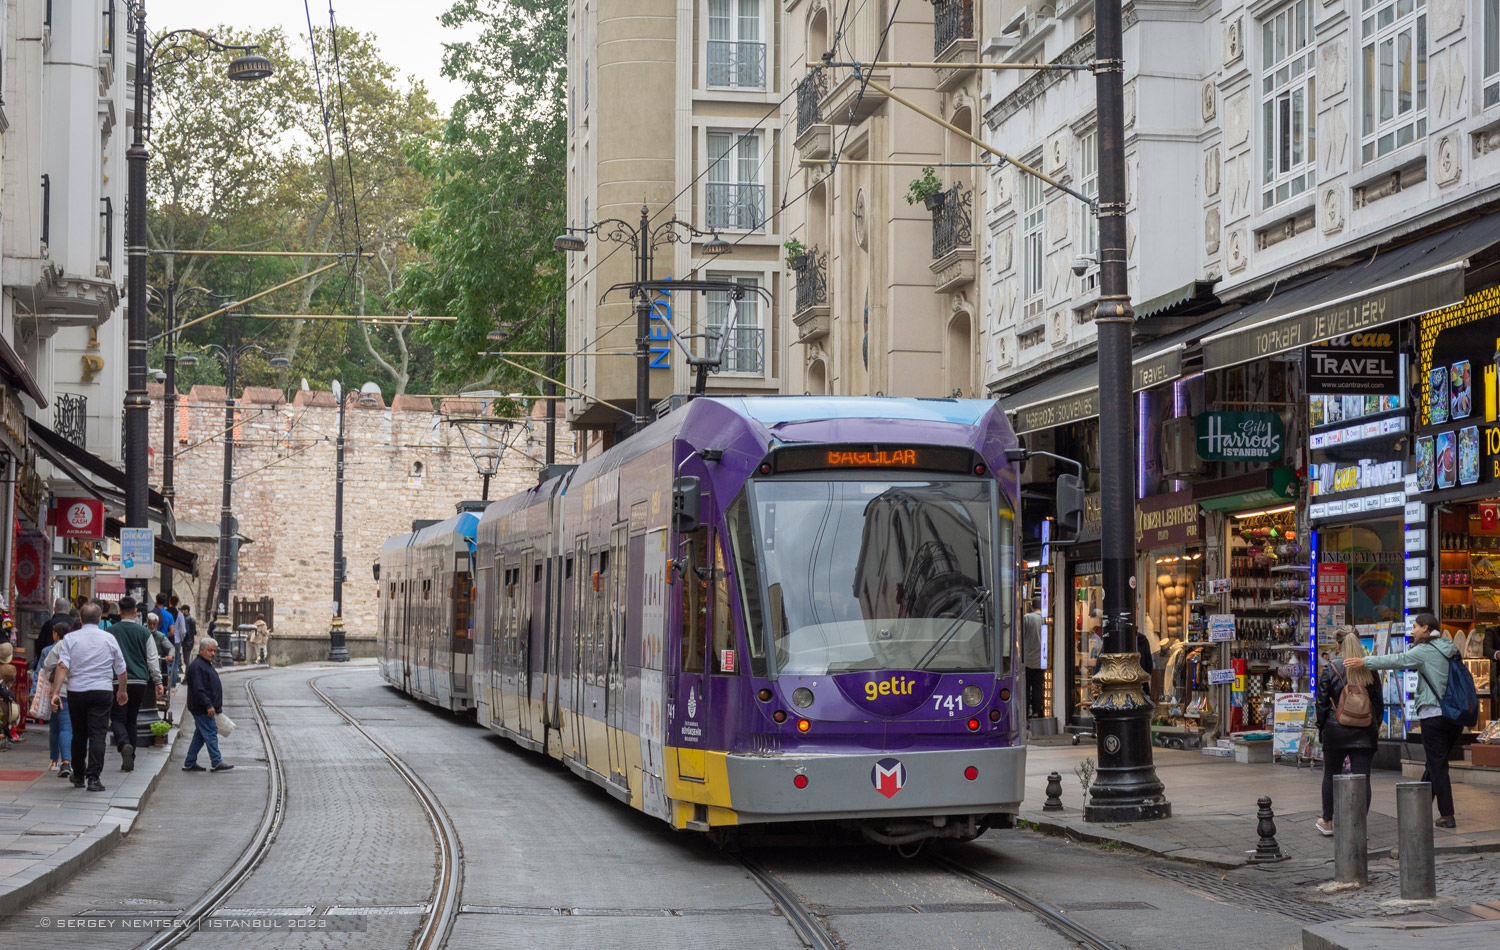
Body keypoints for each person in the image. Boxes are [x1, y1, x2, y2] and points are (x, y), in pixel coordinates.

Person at [1347, 612, 1461, 828]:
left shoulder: (1425, 650)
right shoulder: (1450, 647)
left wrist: (1364, 661)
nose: (1412, 631)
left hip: (1433, 714)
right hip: (1455, 716)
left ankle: (1447, 814)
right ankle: (1419, 806)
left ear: (1425, 628)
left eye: (1415, 626)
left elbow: (1398, 660)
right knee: (1435, 762)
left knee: (1438, 765)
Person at [49, 603, 126, 792]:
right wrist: (122, 690)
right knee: (98, 734)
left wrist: (56, 692)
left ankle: (79, 775)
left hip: (77, 691)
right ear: (99, 619)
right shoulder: (109, 638)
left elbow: (62, 666)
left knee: (79, 734)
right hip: (102, 691)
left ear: (81, 619)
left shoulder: (70, 638)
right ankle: (94, 778)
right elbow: (121, 668)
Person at [1315, 630, 1384, 836]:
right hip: (1365, 732)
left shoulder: (1330, 668)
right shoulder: (1369, 669)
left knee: (1330, 775)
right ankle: (1357, 825)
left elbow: (1321, 704)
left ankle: (1328, 821)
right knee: (1363, 779)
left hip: (1335, 731)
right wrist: (1374, 726)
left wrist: (1322, 728)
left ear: (1338, 645)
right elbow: (1378, 704)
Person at [106, 597, 162, 773]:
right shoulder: (144, 632)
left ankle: (124, 744)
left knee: (117, 717)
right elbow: (152, 659)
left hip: (117, 680)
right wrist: (158, 681)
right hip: (139, 681)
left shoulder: (111, 631)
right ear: (136, 612)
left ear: (119, 612)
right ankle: (131, 757)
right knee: (132, 718)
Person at [183, 638, 231, 773]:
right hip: (202, 708)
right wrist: (208, 705)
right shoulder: (197, 666)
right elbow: (199, 689)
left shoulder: (205, 664)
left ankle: (189, 762)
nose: (213, 653)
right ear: (201, 650)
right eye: (210, 650)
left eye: (214, 651)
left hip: (203, 706)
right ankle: (216, 761)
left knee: (200, 735)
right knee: (210, 732)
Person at [41, 618, 76, 779]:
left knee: (60, 727)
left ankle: (62, 761)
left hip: (60, 691)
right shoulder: (87, 643)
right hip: (81, 690)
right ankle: (75, 760)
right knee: (73, 727)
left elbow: (47, 664)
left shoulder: (61, 645)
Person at [32, 598, 74, 673]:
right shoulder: (74, 624)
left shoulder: (48, 624)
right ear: (69, 610)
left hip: (48, 665)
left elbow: (40, 645)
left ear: (54, 609)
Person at [1022, 602, 1045, 721]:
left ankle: (1025, 713)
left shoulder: (1026, 618)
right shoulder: (1044, 619)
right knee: (1038, 688)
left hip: (1027, 658)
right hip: (1041, 659)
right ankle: (1036, 712)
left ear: (1031, 606)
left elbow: (1021, 636)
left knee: (1025, 688)